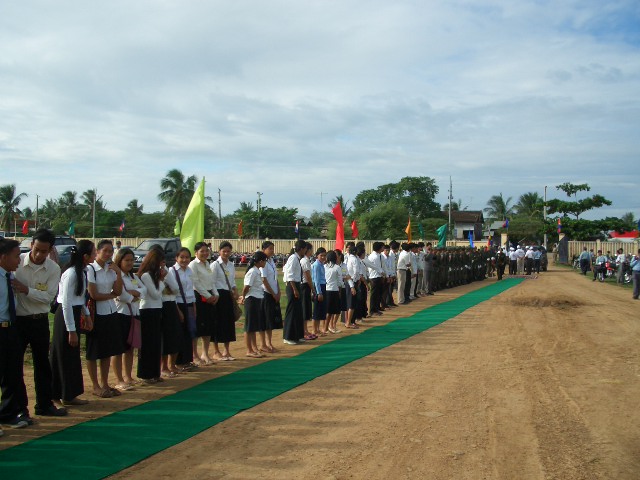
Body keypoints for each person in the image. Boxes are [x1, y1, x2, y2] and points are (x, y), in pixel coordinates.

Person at [13, 229, 67, 418]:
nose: (38, 255)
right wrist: (32, 293)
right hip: (18, 322)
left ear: (50, 250)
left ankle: (44, 405)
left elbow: (49, 298)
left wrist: (26, 290)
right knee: (15, 366)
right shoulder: (16, 262)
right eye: (36, 249)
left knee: (43, 364)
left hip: (40, 322)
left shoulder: (53, 269)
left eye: (43, 251)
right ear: (31, 245)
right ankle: (20, 409)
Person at [50, 240, 95, 408]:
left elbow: (80, 298)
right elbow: (67, 303)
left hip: (75, 313)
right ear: (85, 256)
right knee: (61, 356)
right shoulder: (71, 274)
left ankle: (69, 394)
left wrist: (87, 315)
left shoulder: (82, 272)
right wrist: (71, 330)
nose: (95, 255)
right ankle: (55, 396)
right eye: (93, 252)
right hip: (65, 316)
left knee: (71, 357)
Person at [86, 239, 124, 398]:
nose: (108, 254)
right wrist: (111, 295)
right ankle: (95, 385)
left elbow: (118, 291)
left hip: (110, 311)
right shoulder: (90, 269)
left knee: (107, 351)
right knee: (94, 351)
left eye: (110, 251)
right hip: (95, 314)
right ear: (98, 251)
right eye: (105, 251)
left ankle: (105, 383)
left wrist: (118, 273)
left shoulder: (111, 269)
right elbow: (93, 294)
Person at [0, 239, 30, 430]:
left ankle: (8, 414)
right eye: (15, 256)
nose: (19, 260)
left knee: (11, 372)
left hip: (10, 328)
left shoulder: (9, 278)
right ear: (3, 257)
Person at [112, 247, 146, 391]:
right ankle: (119, 379)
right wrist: (133, 296)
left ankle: (128, 376)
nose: (130, 263)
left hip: (133, 314)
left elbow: (144, 291)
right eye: (127, 260)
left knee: (130, 348)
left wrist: (134, 294)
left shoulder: (133, 277)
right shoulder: (115, 275)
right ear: (119, 260)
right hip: (120, 314)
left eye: (132, 260)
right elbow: (121, 295)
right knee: (118, 349)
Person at [137, 248, 166, 384]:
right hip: (147, 311)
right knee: (147, 344)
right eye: (160, 261)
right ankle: (145, 374)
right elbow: (155, 294)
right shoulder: (146, 275)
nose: (162, 265)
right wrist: (161, 280)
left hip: (156, 309)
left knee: (156, 343)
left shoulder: (154, 275)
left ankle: (155, 373)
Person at [189, 242, 218, 365]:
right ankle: (194, 355)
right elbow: (195, 283)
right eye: (202, 251)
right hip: (199, 298)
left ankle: (205, 353)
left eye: (207, 251)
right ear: (196, 252)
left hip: (210, 297)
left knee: (208, 327)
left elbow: (212, 282)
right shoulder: (193, 265)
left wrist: (216, 295)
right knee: (198, 327)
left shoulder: (207, 264)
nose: (205, 253)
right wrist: (208, 296)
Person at [210, 241, 238, 361]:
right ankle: (216, 351)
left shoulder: (231, 265)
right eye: (224, 251)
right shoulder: (215, 265)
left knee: (228, 323)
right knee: (217, 323)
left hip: (228, 296)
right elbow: (211, 282)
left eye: (228, 251)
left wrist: (235, 291)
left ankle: (226, 351)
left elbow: (232, 281)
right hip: (218, 296)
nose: (226, 253)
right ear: (219, 251)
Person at [172, 247, 198, 371]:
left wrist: (193, 305)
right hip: (178, 304)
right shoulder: (172, 271)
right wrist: (178, 310)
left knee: (189, 333)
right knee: (179, 334)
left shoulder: (189, 271)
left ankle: (188, 360)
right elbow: (171, 293)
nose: (184, 259)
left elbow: (191, 289)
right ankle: (179, 362)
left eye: (187, 257)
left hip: (189, 304)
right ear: (176, 258)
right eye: (181, 257)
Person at [240, 251, 268, 358]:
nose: (265, 263)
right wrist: (243, 297)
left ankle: (254, 348)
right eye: (264, 260)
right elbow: (247, 287)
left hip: (257, 299)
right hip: (251, 299)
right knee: (249, 326)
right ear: (260, 261)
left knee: (254, 326)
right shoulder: (252, 272)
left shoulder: (257, 271)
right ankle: (249, 350)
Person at [160, 249, 182, 378]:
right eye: (160, 261)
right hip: (161, 304)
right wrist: (168, 287)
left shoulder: (167, 272)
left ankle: (172, 364)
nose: (162, 263)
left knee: (174, 336)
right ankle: (164, 367)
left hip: (172, 303)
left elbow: (175, 289)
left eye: (163, 261)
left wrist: (168, 286)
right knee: (165, 337)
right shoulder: (152, 273)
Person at [282, 240, 306, 345]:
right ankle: (288, 336)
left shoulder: (297, 258)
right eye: (305, 249)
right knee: (291, 311)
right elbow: (289, 274)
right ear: (301, 249)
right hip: (293, 285)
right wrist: (295, 289)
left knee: (297, 311)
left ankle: (297, 335)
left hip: (296, 284)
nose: (305, 251)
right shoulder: (293, 258)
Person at [259, 241, 281, 353]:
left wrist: (278, 292)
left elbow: (275, 279)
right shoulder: (262, 262)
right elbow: (264, 280)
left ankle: (269, 343)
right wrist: (273, 293)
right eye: (270, 249)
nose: (272, 251)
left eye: (273, 248)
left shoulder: (271, 261)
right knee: (265, 320)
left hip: (273, 294)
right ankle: (263, 344)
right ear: (264, 249)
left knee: (270, 320)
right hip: (265, 294)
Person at [299, 242, 316, 340]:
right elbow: (307, 276)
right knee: (304, 308)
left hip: (306, 285)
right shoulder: (304, 261)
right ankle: (304, 331)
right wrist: (312, 288)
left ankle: (305, 330)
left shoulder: (307, 260)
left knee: (306, 308)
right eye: (311, 249)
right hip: (304, 285)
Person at [323, 250, 342, 334]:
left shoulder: (324, 266)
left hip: (325, 289)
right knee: (331, 311)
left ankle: (326, 327)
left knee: (327, 310)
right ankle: (326, 328)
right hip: (334, 290)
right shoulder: (337, 267)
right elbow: (340, 281)